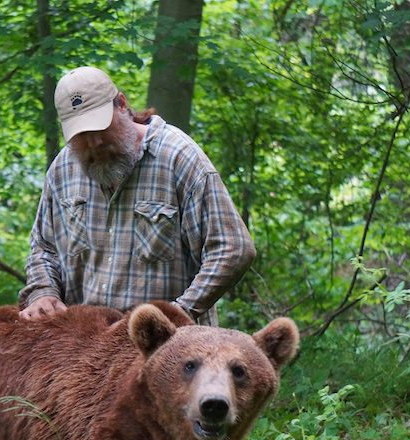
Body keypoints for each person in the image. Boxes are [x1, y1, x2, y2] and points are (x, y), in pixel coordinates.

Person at [18, 66, 255, 326]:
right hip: (85, 347)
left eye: (100, 128)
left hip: (166, 350)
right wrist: (43, 292)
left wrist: (179, 314)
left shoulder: (178, 158)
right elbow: (44, 246)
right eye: (82, 136)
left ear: (121, 105)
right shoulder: (63, 169)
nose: (94, 143)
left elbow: (233, 248)